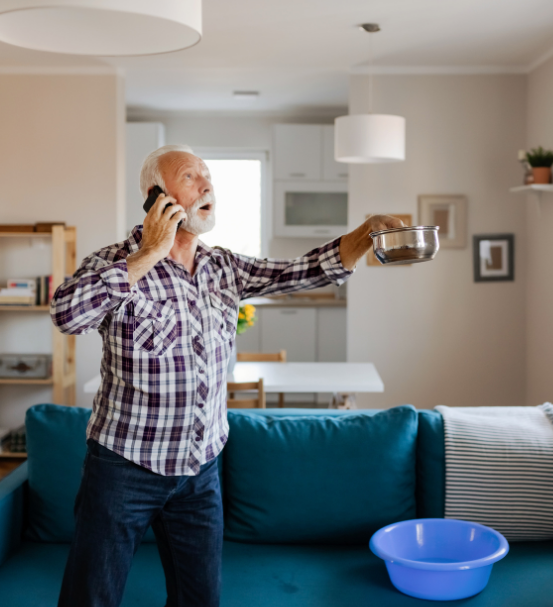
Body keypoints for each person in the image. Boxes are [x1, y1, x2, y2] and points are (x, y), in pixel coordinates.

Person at [51, 144, 402, 607]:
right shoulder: (115, 263)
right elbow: (66, 314)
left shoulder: (224, 268)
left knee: (201, 601)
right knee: (90, 598)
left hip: (200, 470)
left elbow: (301, 271)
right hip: (123, 467)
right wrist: (150, 252)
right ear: (157, 196)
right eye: (191, 176)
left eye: (208, 176)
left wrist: (366, 232)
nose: (206, 184)